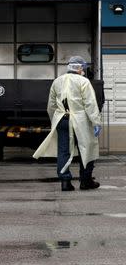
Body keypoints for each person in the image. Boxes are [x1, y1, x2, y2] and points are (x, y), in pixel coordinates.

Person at [33, 56, 101, 191]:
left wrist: (55, 120)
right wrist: (96, 122)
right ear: (80, 68)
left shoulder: (57, 81)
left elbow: (51, 105)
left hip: (62, 119)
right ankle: (85, 181)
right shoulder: (84, 82)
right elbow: (90, 104)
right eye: (84, 68)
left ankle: (65, 182)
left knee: (63, 151)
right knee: (86, 148)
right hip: (80, 121)